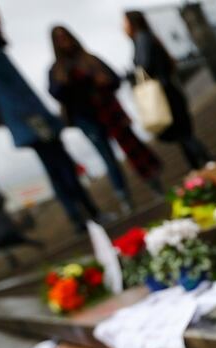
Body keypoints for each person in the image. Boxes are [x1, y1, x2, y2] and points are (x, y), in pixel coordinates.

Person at [0, 0, 101, 232]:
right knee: (62, 166)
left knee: (56, 168)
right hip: (29, 118)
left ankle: (80, 217)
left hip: (22, 118)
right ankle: (88, 215)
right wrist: (32, 117)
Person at [48, 26, 164, 214]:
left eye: (65, 37)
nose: (64, 42)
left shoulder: (90, 59)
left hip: (108, 111)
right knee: (108, 159)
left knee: (132, 148)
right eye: (59, 39)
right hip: (86, 118)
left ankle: (154, 184)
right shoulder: (57, 70)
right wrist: (67, 80)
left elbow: (115, 79)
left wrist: (104, 81)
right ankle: (124, 198)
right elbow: (55, 92)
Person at [124, 10, 212, 170]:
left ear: (131, 23)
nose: (122, 27)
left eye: (124, 23)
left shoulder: (141, 39)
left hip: (162, 93)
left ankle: (206, 162)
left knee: (182, 135)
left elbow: (144, 66)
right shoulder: (148, 37)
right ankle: (199, 168)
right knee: (182, 134)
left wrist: (132, 76)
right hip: (168, 89)